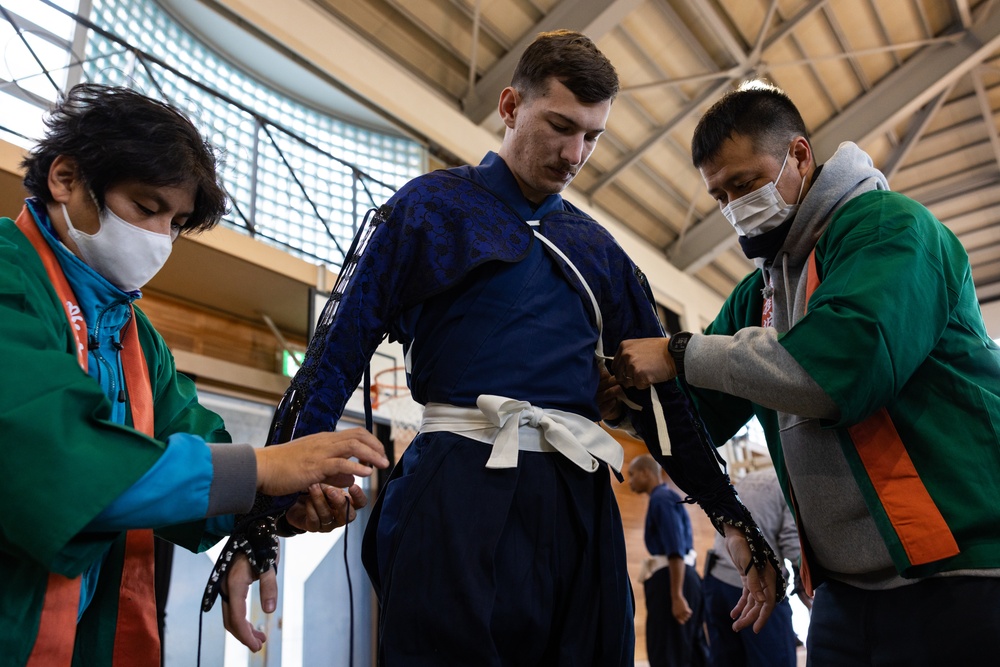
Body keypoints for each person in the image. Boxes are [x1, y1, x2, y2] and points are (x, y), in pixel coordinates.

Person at [214, 30, 784, 667]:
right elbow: (331, 359)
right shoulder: (428, 211)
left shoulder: (601, 251)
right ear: (510, 107)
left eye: (592, 137)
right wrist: (260, 524)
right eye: (560, 126)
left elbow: (666, 403)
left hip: (579, 501)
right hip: (455, 488)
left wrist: (730, 514)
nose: (575, 154)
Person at [612, 80, 1000, 665]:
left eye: (745, 184)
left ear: (798, 154)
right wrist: (619, 399)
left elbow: (842, 369)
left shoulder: (889, 230)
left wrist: (680, 351)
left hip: (957, 572)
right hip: (843, 593)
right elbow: (691, 416)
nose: (734, 206)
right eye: (719, 196)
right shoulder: (756, 295)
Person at [0, 83, 389, 666]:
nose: (159, 238)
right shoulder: (10, 281)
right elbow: (61, 458)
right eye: (146, 207)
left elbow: (195, 445)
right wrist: (268, 468)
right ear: (65, 178)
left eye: (177, 221)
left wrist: (275, 511)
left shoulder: (135, 336)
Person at [703, 467, 803, 667]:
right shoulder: (789, 484)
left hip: (716, 580)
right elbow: (791, 543)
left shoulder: (747, 479)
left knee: (726, 660)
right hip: (757, 585)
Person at [628, 455, 709, 667]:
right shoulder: (666, 498)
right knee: (690, 652)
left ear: (646, 472)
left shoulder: (661, 499)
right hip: (683, 578)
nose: (629, 481)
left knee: (668, 654)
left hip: (672, 582)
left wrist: (676, 595)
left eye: (632, 475)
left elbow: (675, 549)